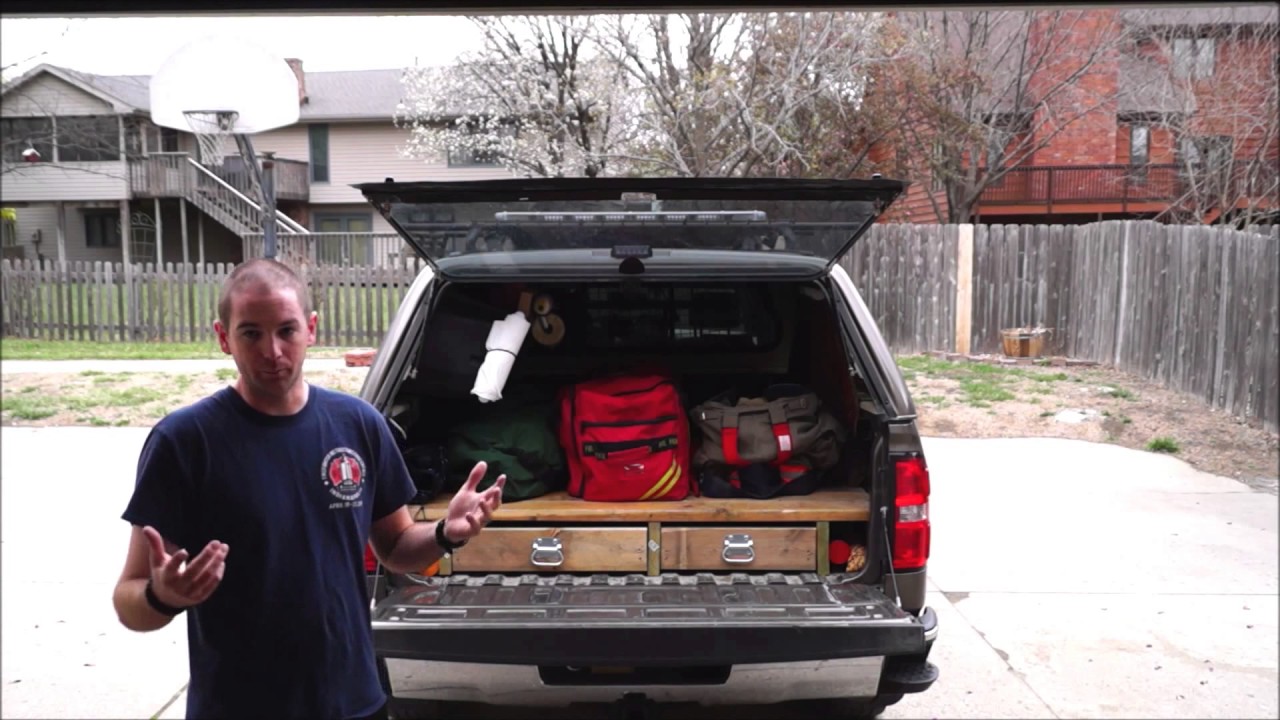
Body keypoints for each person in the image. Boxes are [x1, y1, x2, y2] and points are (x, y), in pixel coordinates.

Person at [111, 258, 505, 720]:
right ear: (223, 337)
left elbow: (396, 548)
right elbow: (129, 600)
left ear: (311, 329)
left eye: (286, 330)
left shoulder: (357, 424)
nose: (272, 351)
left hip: (354, 702)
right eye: (251, 333)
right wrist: (162, 596)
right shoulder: (184, 441)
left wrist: (445, 533)